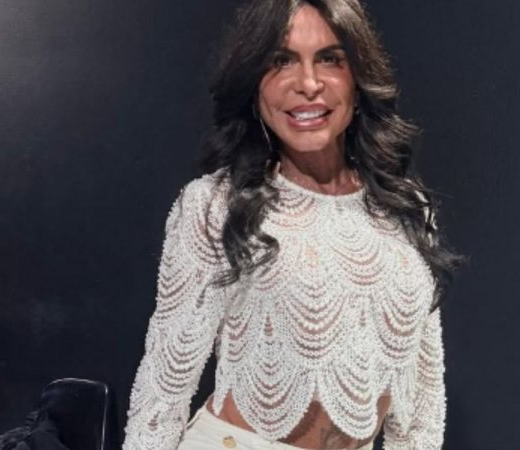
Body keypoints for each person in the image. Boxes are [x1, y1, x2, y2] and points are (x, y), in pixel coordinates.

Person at [123, 0, 461, 449]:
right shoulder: (216, 204)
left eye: (330, 59)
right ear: (254, 83)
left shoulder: (406, 207)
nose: (308, 83)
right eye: (280, 61)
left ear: (358, 77)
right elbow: (163, 391)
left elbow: (423, 397)